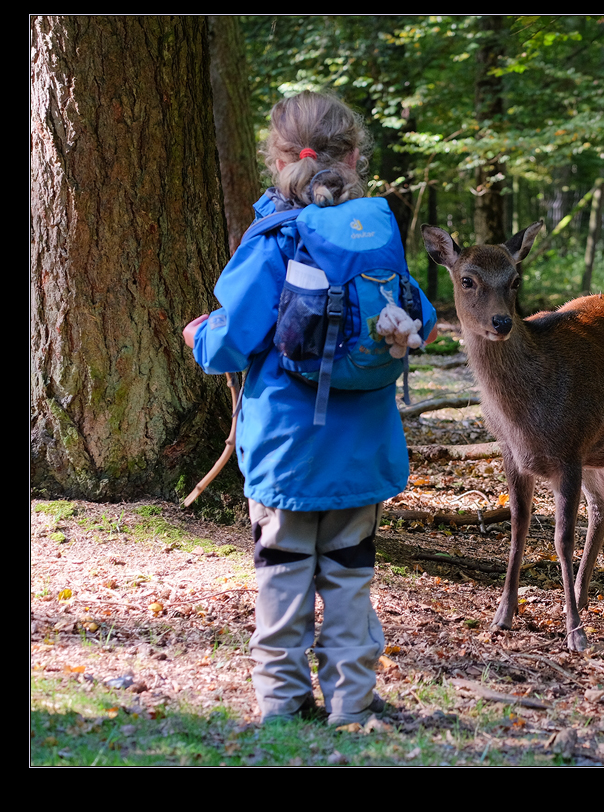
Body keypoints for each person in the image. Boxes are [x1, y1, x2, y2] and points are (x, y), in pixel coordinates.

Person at [183, 92, 436, 726]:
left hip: (287, 450)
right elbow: (421, 315)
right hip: (363, 449)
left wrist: (197, 336)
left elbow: (229, 343)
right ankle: (352, 704)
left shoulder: (274, 238)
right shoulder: (375, 237)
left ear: (279, 160)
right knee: (350, 578)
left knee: (283, 575)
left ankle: (282, 702)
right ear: (354, 157)